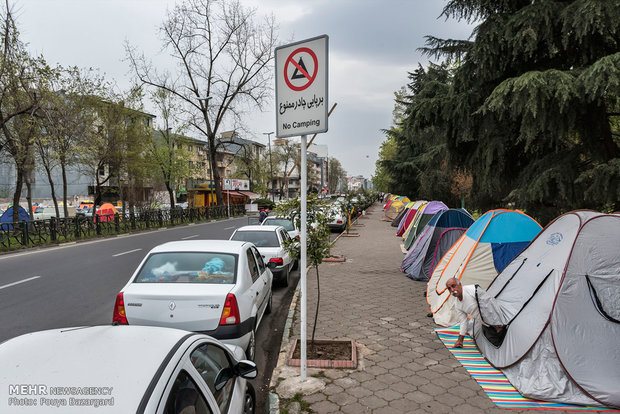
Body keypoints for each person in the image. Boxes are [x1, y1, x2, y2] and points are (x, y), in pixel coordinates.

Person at [445, 277, 504, 348]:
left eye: (453, 286)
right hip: (486, 325)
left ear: (460, 285)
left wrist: (497, 324)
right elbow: (463, 322)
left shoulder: (472, 289)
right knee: (493, 344)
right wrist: (460, 340)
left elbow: (489, 304)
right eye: (449, 288)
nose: (452, 290)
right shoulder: (457, 304)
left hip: (497, 319)